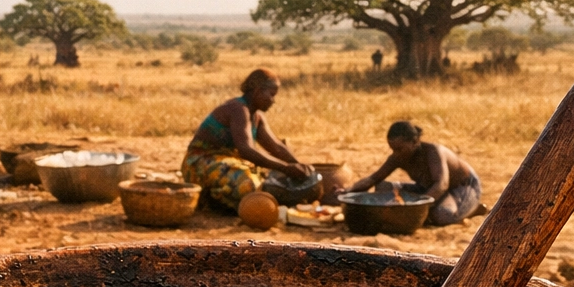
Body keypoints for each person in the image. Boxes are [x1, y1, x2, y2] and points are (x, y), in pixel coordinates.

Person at [182, 68, 313, 211]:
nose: (273, 101)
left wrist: (298, 166)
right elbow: (246, 150)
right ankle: (210, 201)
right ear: (257, 91)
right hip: (200, 163)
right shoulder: (238, 109)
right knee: (249, 183)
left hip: (229, 162)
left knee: (265, 179)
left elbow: (276, 147)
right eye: (271, 94)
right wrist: (286, 168)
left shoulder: (257, 116)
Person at [347, 121, 486, 226]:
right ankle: (435, 208)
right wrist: (347, 192)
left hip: (461, 188)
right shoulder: (398, 156)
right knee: (383, 188)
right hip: (429, 190)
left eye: (400, 149)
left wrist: (416, 207)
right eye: (392, 149)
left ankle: (473, 209)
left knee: (442, 215)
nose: (396, 154)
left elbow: (442, 185)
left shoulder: (433, 152)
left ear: (414, 142)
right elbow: (373, 179)